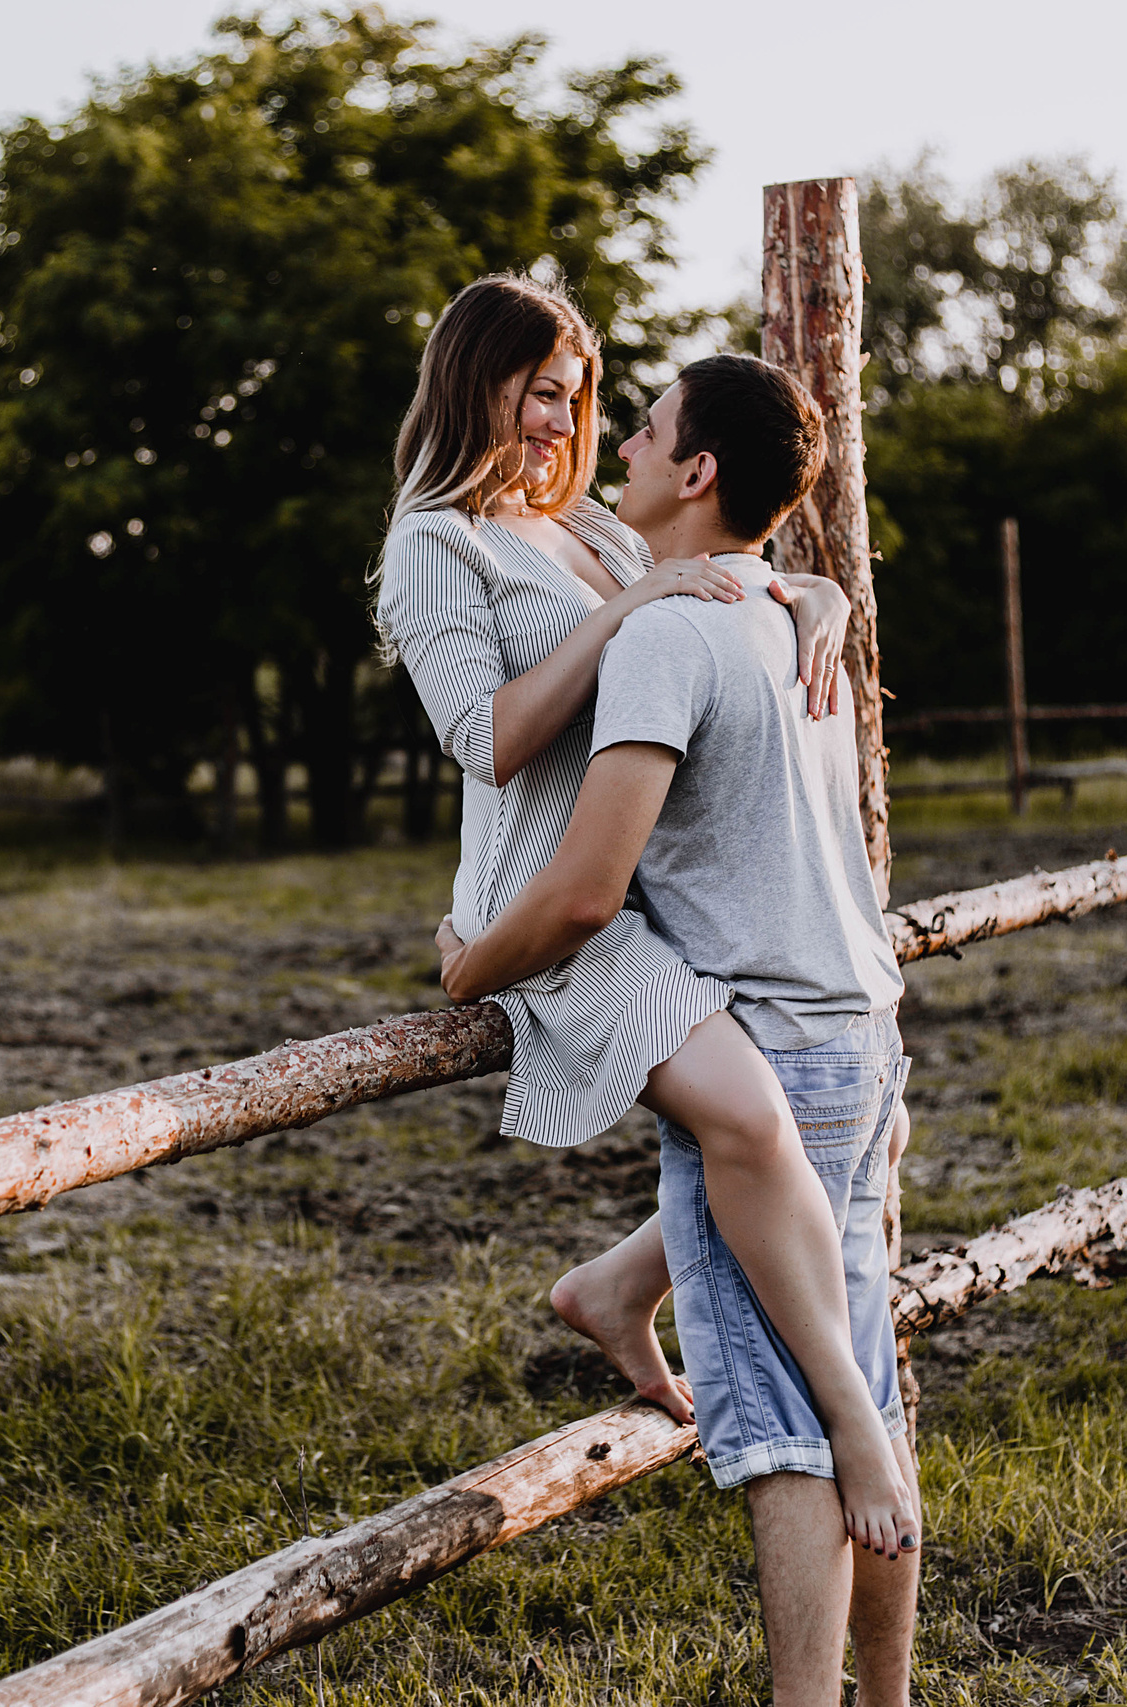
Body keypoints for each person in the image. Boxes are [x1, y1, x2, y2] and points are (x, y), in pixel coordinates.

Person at [432, 353, 919, 1706]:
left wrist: (473, 968)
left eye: (644, 433)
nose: (618, 449)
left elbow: (588, 889)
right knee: (863, 1395)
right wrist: (812, 581)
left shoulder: (668, 631)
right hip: (866, 1036)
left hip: (775, 1047)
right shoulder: (778, 604)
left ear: (698, 473)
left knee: (797, 1439)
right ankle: (620, 1285)